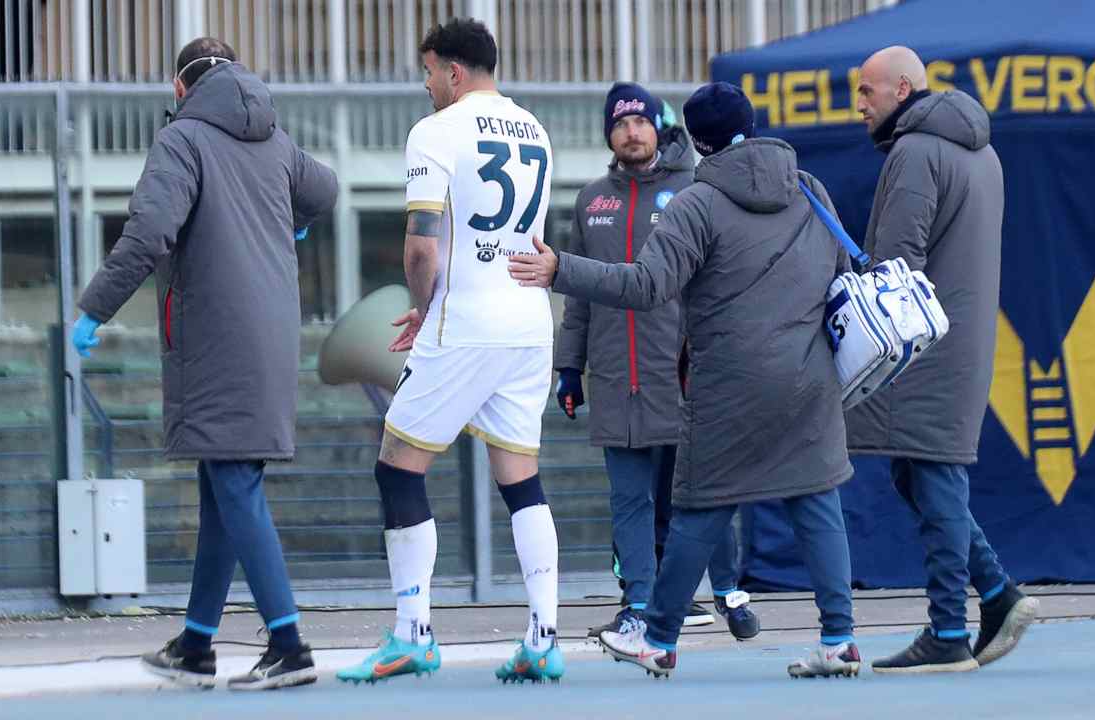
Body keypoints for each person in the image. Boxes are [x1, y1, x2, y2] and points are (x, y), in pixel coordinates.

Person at [511, 82, 861, 680]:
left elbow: (645, 286)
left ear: (694, 140)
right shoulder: (807, 187)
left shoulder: (698, 202)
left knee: (698, 507)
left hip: (727, 383)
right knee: (815, 498)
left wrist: (560, 270)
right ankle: (839, 640)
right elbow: (841, 271)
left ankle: (659, 637)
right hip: (809, 377)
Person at [73, 37, 338, 690]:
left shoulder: (183, 141)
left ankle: (290, 644)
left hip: (217, 342)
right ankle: (195, 644)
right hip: (273, 334)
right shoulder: (273, 140)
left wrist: (92, 311)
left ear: (179, 88)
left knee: (236, 488)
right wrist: (297, 220)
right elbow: (325, 188)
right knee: (223, 488)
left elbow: (147, 235)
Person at [334, 19, 563, 685]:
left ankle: (413, 634)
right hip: (527, 320)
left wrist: (426, 303)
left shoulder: (436, 131)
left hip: (464, 319)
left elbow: (421, 244)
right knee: (520, 477)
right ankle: (544, 636)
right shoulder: (534, 128)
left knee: (398, 468)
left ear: (453, 72)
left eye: (428, 71)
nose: (426, 83)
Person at [850, 46, 1039, 674]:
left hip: (923, 349)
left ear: (902, 89)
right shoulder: (982, 152)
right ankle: (997, 596)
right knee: (924, 476)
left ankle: (949, 631)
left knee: (931, 478)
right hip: (962, 342)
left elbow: (898, 267)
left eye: (868, 93)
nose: (860, 107)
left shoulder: (914, 151)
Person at [557, 82, 754, 641]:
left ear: (659, 127)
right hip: (618, 378)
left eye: (641, 121)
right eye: (620, 124)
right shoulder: (591, 199)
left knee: (703, 490)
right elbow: (579, 297)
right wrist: (569, 368)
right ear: (610, 136)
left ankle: (728, 591)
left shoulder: (695, 188)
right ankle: (638, 602)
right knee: (629, 501)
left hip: (686, 373)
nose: (631, 132)